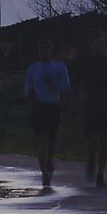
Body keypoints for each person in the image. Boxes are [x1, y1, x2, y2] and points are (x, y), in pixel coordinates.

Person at [21, 35, 70, 190]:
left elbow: (65, 88)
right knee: (41, 139)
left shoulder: (59, 67)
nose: (43, 52)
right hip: (39, 106)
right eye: (41, 50)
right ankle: (44, 173)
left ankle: (49, 161)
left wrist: (55, 87)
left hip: (53, 106)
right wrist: (27, 94)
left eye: (46, 49)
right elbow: (27, 86)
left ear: (51, 51)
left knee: (51, 140)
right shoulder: (33, 68)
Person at [74, 29, 107, 189]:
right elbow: (79, 82)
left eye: (102, 44)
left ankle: (101, 174)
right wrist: (81, 94)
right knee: (92, 140)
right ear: (92, 46)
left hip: (106, 106)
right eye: (97, 44)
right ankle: (91, 160)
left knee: (105, 143)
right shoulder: (86, 63)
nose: (100, 47)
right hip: (91, 105)